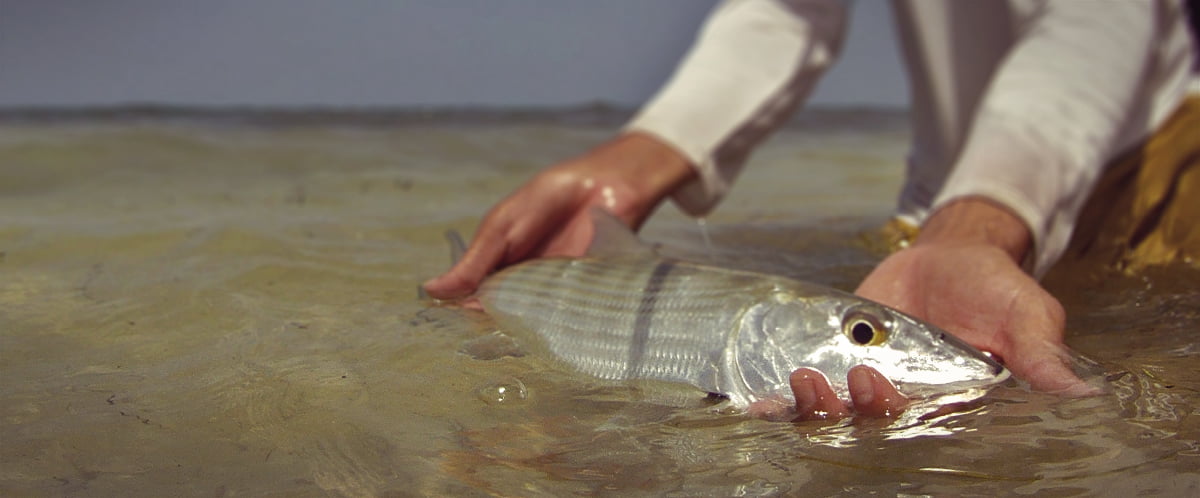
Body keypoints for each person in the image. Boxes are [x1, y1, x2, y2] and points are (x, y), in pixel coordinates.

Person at [424, 0, 1200, 421]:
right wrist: (631, 166)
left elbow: (1105, 17)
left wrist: (976, 222)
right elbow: (789, 10)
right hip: (943, 192)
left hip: (1153, 151)